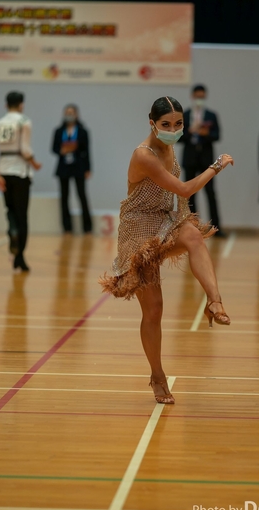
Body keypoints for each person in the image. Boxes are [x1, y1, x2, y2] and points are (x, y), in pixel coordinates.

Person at [99, 96, 234, 404]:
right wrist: (216, 165)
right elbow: (184, 189)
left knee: (194, 237)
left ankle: (215, 302)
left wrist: (180, 219)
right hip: (138, 228)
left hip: (164, 219)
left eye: (178, 124)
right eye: (166, 125)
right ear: (152, 124)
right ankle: (157, 376)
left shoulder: (169, 146)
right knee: (154, 310)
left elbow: (176, 197)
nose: (173, 130)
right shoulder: (143, 155)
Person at [0, 91, 41, 271]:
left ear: (5, 105)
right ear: (21, 104)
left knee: (10, 209)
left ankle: (12, 230)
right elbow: (25, 149)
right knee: (22, 214)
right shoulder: (24, 121)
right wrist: (35, 164)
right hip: (21, 173)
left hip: (3, 172)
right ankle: (20, 257)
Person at [181, 84, 226, 237]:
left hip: (206, 158)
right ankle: (192, 228)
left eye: (202, 97)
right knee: (189, 194)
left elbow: (217, 136)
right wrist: (190, 131)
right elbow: (179, 137)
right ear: (192, 97)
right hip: (190, 158)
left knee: (210, 193)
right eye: (197, 97)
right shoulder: (185, 115)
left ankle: (216, 228)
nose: (199, 99)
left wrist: (205, 133)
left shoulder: (211, 115)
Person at [52, 104, 92, 234]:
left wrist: (88, 169)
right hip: (63, 167)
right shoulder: (59, 131)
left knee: (81, 195)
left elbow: (87, 151)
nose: (69, 115)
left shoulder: (82, 131)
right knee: (64, 197)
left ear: (76, 115)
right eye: (67, 113)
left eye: (71, 113)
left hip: (78, 166)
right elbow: (54, 148)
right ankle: (67, 227)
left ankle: (87, 227)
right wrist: (61, 151)